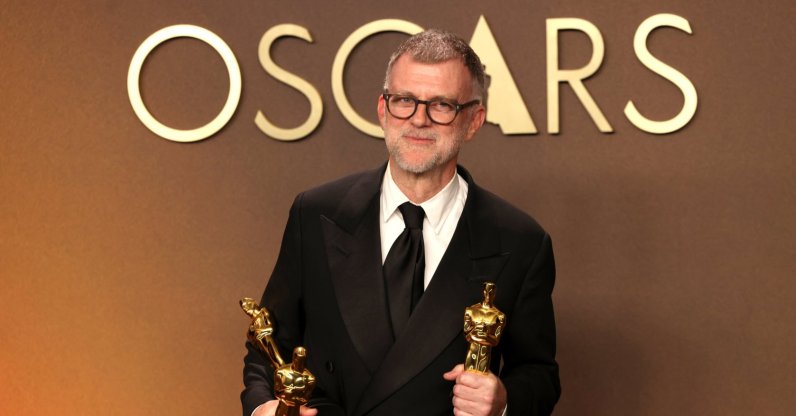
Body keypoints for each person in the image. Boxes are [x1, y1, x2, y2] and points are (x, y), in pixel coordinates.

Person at [242, 29, 560, 416]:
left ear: (474, 121)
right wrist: (263, 409)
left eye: (442, 105)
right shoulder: (316, 213)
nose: (419, 119)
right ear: (383, 109)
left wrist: (504, 401)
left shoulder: (520, 241)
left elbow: (539, 375)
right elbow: (267, 346)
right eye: (405, 100)